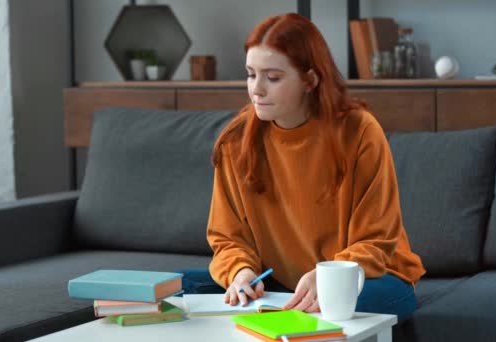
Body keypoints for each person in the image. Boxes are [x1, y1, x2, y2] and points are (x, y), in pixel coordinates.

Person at [180, 12, 426, 321]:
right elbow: (227, 238)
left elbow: (376, 241)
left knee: (332, 303)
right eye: (250, 74)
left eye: (272, 77)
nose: (256, 89)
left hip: (372, 278)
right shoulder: (236, 139)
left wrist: (325, 279)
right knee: (165, 290)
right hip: (283, 282)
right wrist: (240, 273)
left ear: (310, 79)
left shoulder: (360, 131)